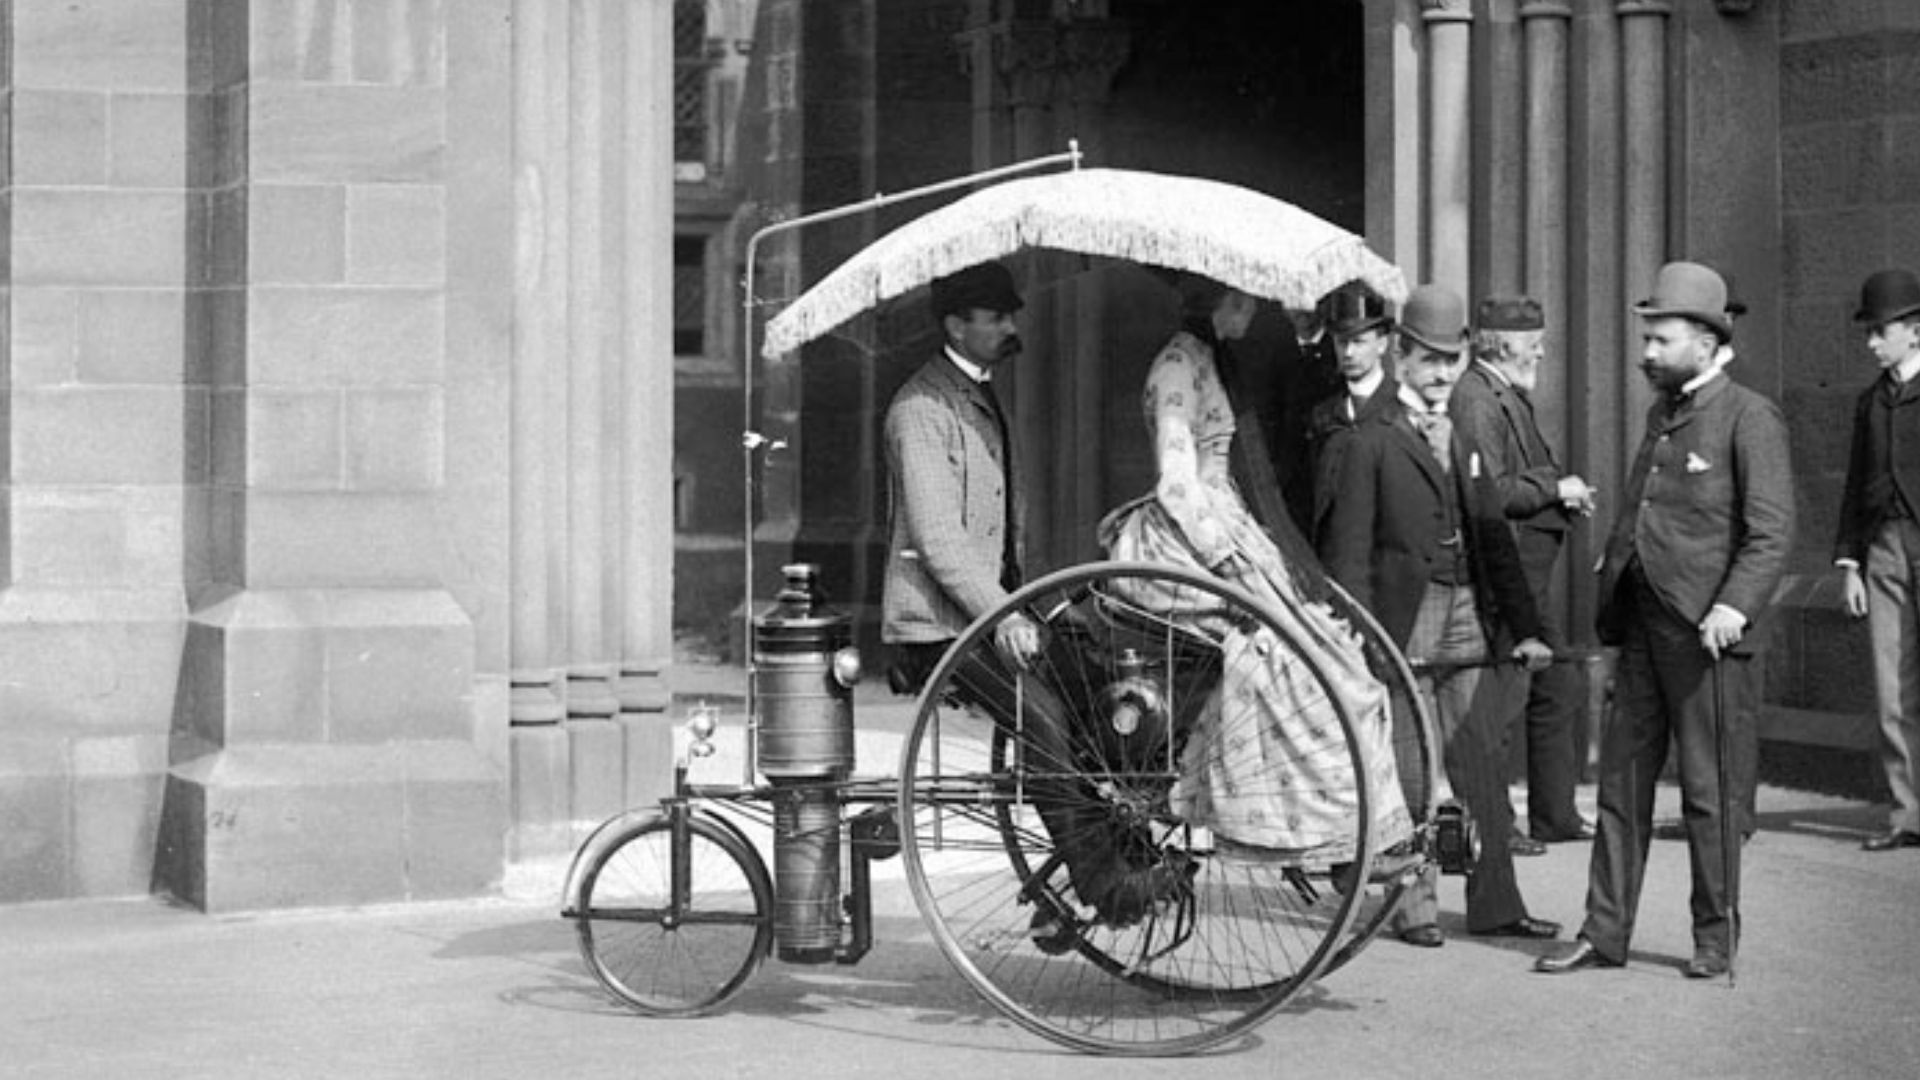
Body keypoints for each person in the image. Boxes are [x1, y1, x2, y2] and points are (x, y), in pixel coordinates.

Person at [881, 261, 1173, 928]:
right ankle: (1101, 882)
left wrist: (1037, 606)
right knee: (1040, 719)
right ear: (957, 324)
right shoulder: (919, 411)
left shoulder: (978, 396)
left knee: (1091, 683)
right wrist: (1005, 612)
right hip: (936, 626)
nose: (1013, 326)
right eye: (997, 316)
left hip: (987, 613)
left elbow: (1001, 535)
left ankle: (1126, 849)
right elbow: (939, 542)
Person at [1096, 274, 1417, 874]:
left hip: (1225, 521)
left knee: (1335, 653)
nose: (1252, 308)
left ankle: (1351, 832)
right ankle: (1309, 835)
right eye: (1242, 297)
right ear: (1218, 300)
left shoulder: (1211, 359)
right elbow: (1176, 480)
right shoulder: (1176, 364)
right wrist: (1224, 561)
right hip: (1185, 538)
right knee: (1288, 661)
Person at [1536, 260, 1793, 979]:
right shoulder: (1666, 410)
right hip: (1645, 623)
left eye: (1662, 340)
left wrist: (1733, 606)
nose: (1647, 353)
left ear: (1708, 343)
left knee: (1710, 795)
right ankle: (1604, 933)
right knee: (1621, 784)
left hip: (1707, 634)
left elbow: (1772, 531)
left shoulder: (1750, 416)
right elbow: (1646, 503)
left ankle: (1715, 941)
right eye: (1647, 338)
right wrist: (1619, 559)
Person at [1318, 283, 1561, 948]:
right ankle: (1414, 906)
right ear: (1400, 356)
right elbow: (1349, 554)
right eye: (1427, 360)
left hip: (1468, 615)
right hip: (1406, 618)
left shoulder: (1464, 433)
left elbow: (1492, 537)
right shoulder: (1369, 441)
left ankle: (1496, 903)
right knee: (1414, 770)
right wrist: (1363, 637)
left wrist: (1528, 626)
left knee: (1482, 761)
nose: (1440, 373)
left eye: (1450, 360)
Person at [1448, 296, 1597, 850]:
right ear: (1501, 345)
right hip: (1507, 576)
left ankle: (1553, 814)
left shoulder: (1500, 393)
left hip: (1530, 572)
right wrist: (1557, 489)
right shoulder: (1478, 400)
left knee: (1559, 683)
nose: (1541, 348)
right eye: (1533, 339)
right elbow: (1492, 493)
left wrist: (1558, 494)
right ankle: (1495, 823)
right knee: (1503, 702)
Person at [1834, 267, 1920, 852]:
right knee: (1892, 690)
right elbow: (1854, 485)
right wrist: (1848, 563)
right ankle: (1907, 814)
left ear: (1914, 331)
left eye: (1879, 330)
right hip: (1884, 549)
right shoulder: (1872, 402)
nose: (1870, 342)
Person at [1304, 281, 1398, 547]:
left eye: (1359, 341)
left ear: (1382, 344)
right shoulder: (1323, 416)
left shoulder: (1405, 409)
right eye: (1341, 342)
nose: (1348, 353)